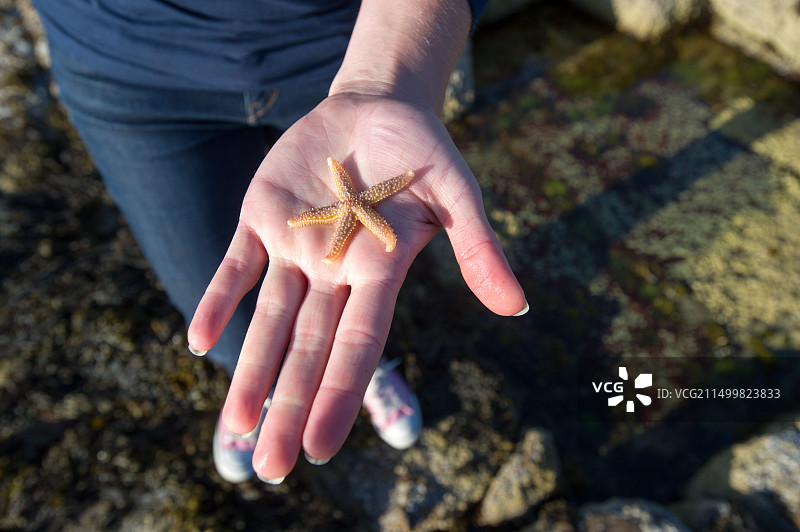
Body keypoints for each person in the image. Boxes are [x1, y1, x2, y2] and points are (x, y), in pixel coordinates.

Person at [32, 0, 529, 485]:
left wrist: (383, 80)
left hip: (343, 45)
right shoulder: (348, 202)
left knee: (350, 289)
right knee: (212, 296)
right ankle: (253, 391)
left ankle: (364, 364)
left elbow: (357, 203)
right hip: (120, 61)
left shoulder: (355, 194)